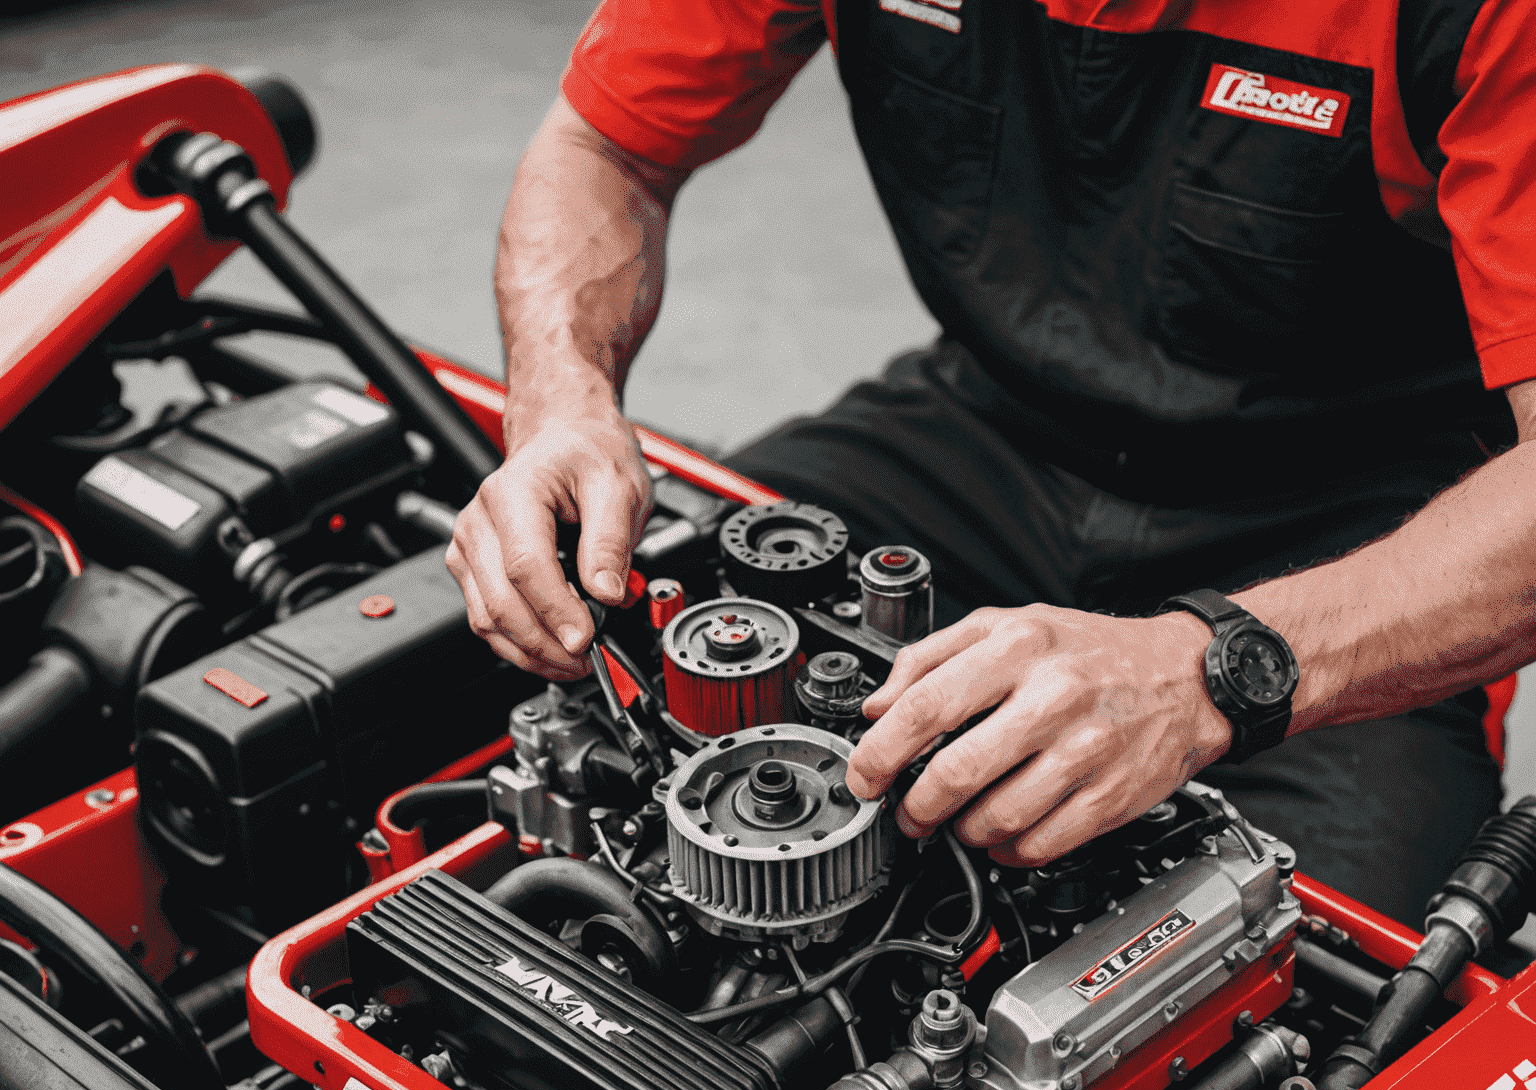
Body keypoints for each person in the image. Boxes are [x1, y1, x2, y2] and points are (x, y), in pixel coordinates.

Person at [445, 0, 1536, 927]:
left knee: (1308, 1011)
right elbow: (606, 145)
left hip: (1358, 529)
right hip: (982, 435)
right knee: (517, 710)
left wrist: (1215, 672)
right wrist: (560, 403)